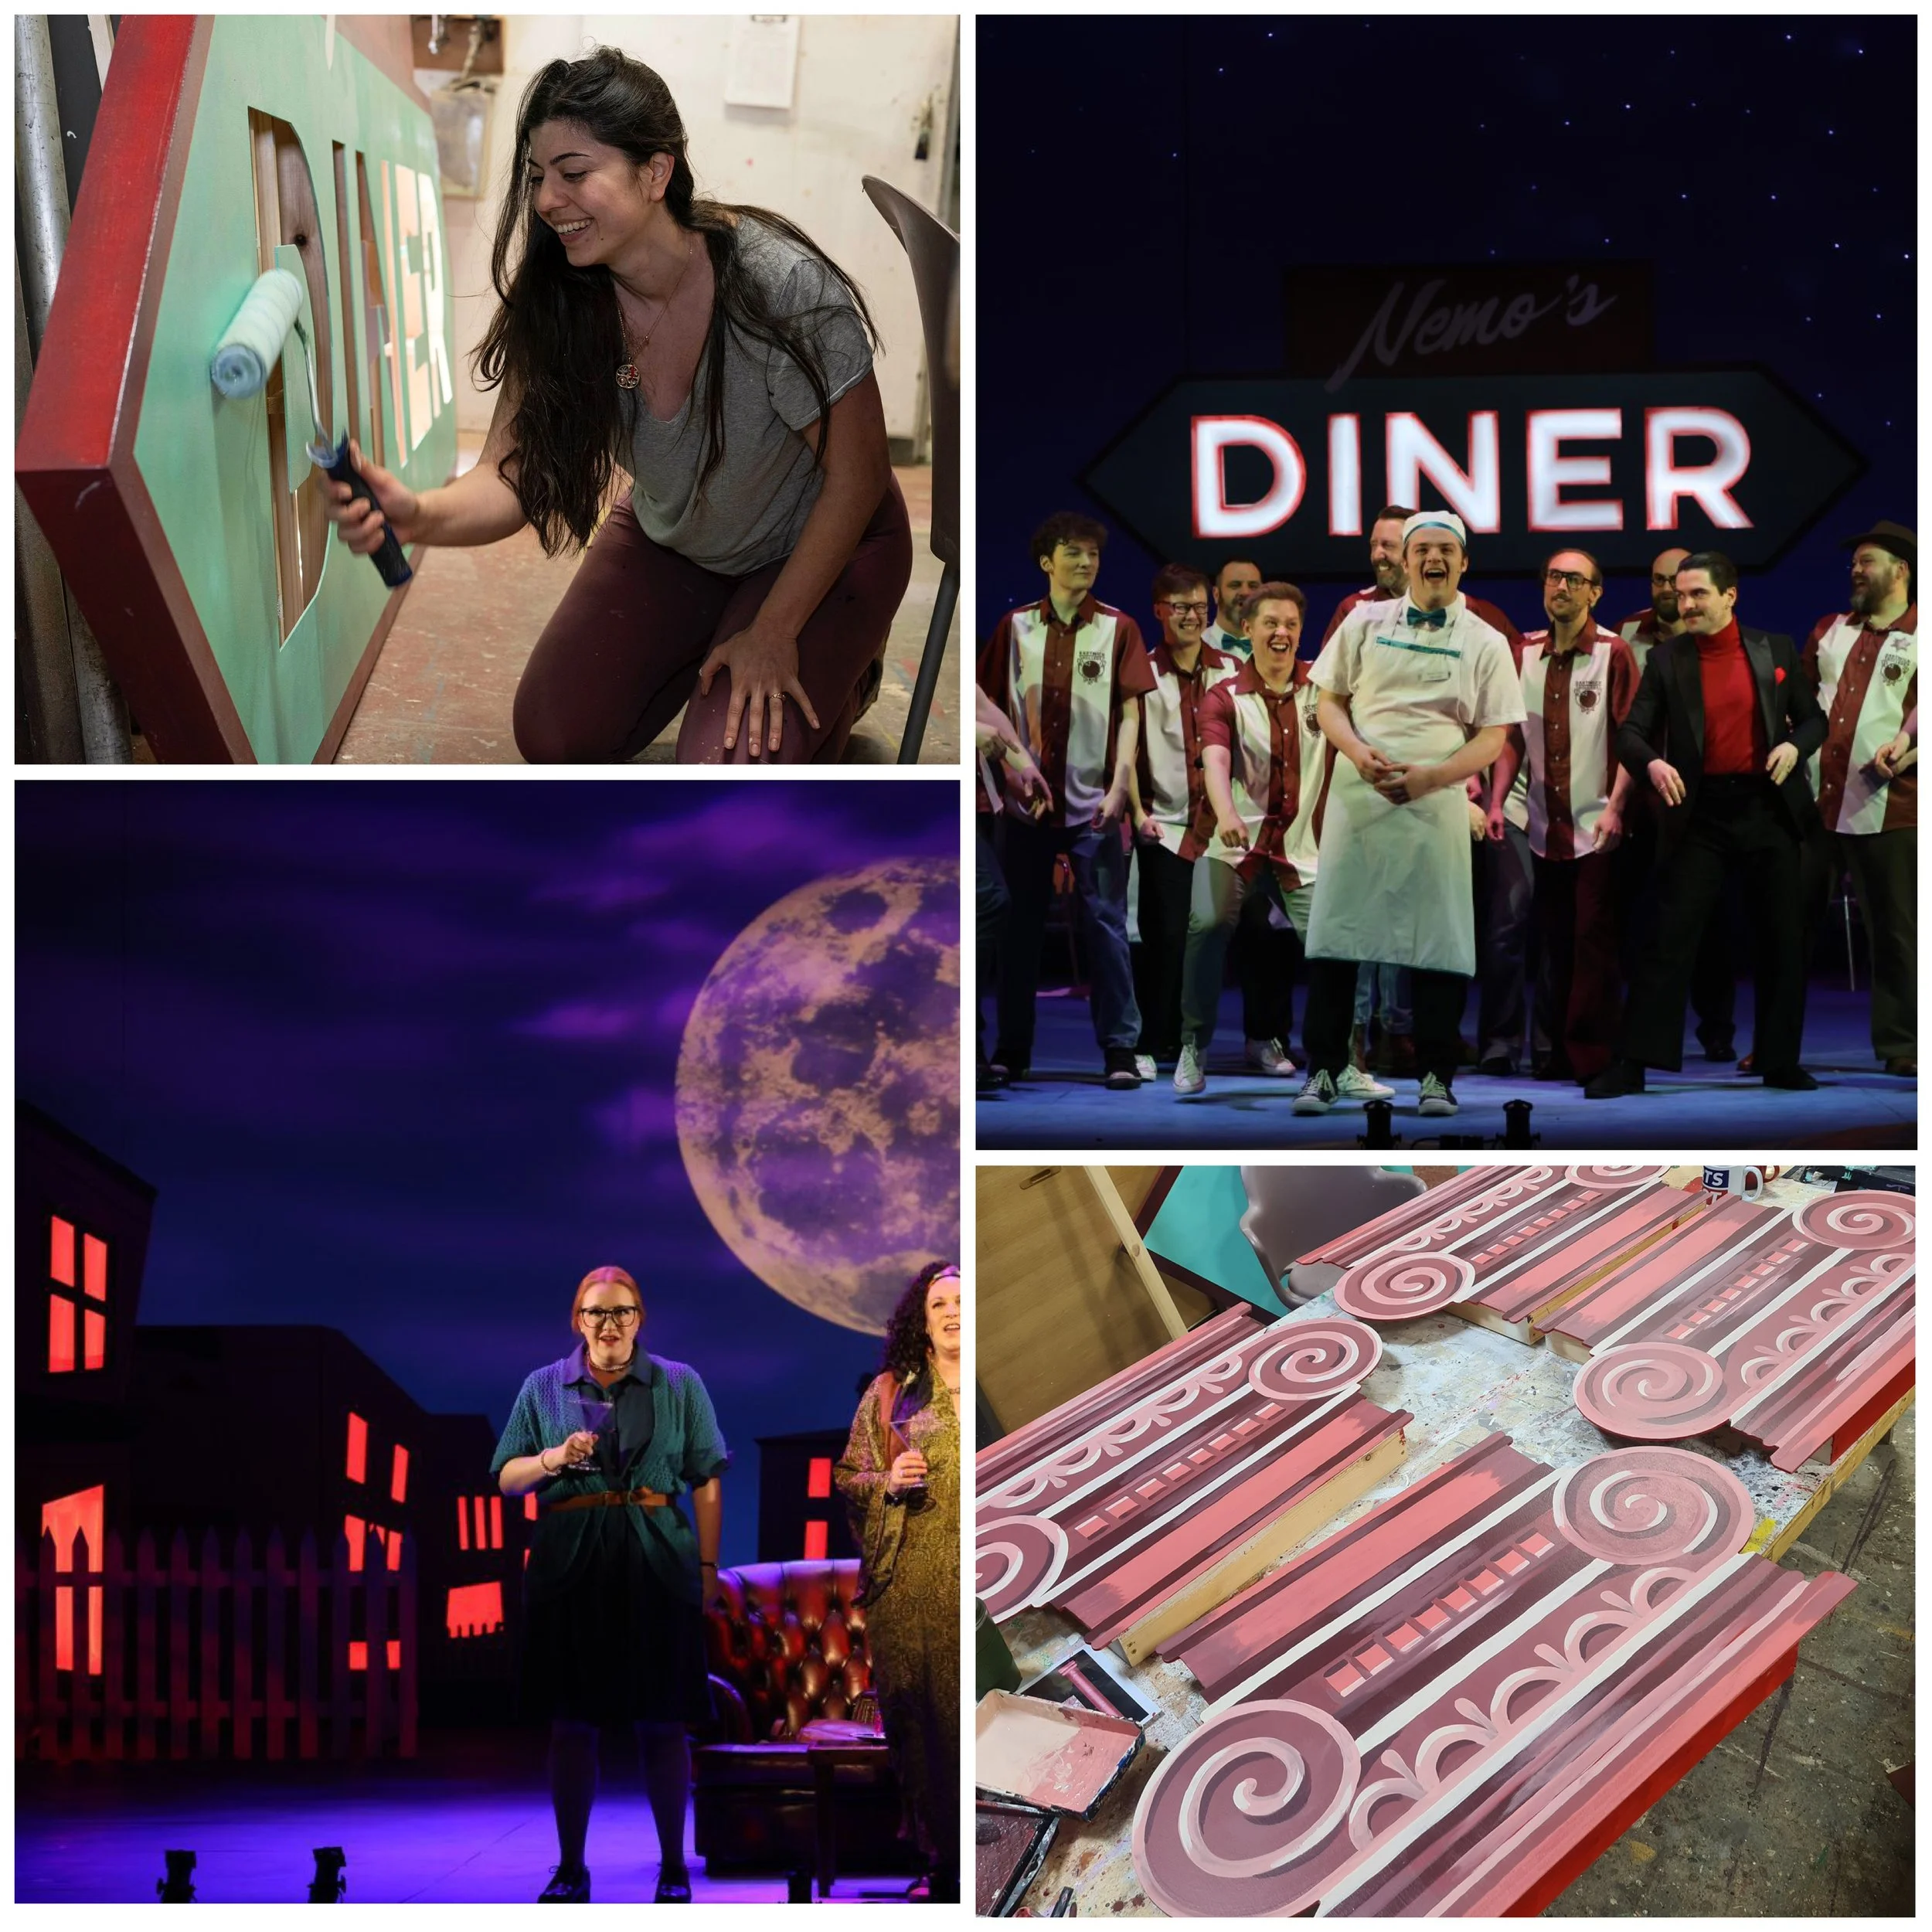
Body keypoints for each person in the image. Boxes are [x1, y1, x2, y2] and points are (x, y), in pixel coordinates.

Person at [323, 48, 911, 766]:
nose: (545, 200)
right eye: (539, 177)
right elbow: (509, 474)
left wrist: (775, 629)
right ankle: (718, 625)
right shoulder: (567, 295)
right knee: (555, 733)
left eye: (574, 174)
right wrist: (420, 514)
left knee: (723, 766)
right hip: (682, 533)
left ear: (655, 173)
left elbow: (858, 478)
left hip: (822, 543)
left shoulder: (777, 288)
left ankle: (846, 673)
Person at [493, 1266, 728, 1903]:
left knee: (663, 1719)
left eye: (622, 1311)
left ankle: (673, 1867)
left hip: (656, 1557)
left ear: (639, 1318)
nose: (609, 1323)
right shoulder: (543, 1386)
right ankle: (571, 1867)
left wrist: (707, 1566)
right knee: (571, 1723)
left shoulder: (679, 1383)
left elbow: (707, 1474)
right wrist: (551, 1459)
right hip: (572, 1560)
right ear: (578, 1320)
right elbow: (507, 1478)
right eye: (596, 1312)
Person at [1294, 512, 1523, 1117]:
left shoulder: (1486, 640)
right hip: (1359, 796)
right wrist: (1358, 753)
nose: (1434, 558)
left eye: (1447, 549)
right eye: (1423, 548)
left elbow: (1493, 735)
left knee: (1438, 943)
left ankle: (1436, 1077)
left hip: (1436, 799)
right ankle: (1323, 1069)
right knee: (1338, 938)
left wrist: (1432, 778)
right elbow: (1329, 703)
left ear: (1464, 562)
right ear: (1405, 560)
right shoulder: (1363, 623)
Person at [1587, 552, 1828, 1097]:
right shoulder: (1669, 659)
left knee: (1782, 939)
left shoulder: (1775, 650)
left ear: (1730, 596)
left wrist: (1795, 743)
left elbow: (1816, 719)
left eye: (1698, 593)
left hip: (1769, 808)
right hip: (1702, 814)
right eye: (1680, 592)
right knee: (1668, 938)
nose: (1685, 602)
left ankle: (1779, 1060)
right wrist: (1652, 761)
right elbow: (1632, 734)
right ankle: (1634, 1062)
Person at [1175, 585, 1391, 1104]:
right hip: (1235, 844)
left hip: (1305, 849)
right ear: (1247, 630)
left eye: (1291, 624)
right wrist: (1226, 812)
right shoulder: (1224, 696)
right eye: (1270, 622)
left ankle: (1338, 1063)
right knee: (1207, 922)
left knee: (1337, 943)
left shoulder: (1325, 689)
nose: (1281, 633)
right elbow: (1216, 760)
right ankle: (1192, 1046)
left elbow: (1360, 743)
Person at [979, 512, 1155, 1089]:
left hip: (1093, 808)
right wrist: (1008, 777)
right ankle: (1012, 1050)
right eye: (1073, 554)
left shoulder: (1118, 627)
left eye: (1093, 555)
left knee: (1106, 928)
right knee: (1018, 930)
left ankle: (1121, 1051)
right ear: (1046, 562)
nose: (1086, 563)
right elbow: (992, 708)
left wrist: (1122, 785)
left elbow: (1132, 713)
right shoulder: (1015, 626)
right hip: (1026, 810)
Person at [836, 1263, 961, 1903]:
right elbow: (847, 1476)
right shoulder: (893, 1394)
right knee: (922, 1726)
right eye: (939, 1303)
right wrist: (887, 1482)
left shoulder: (994, 1382)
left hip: (980, 1585)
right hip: (907, 1591)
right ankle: (940, 1864)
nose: (951, 1311)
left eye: (963, 1301)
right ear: (922, 1318)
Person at [1488, 551, 1638, 1083]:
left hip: (1596, 824)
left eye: (1576, 580)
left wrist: (1618, 808)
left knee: (1591, 940)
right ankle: (1548, 1052)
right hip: (1538, 824)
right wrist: (1495, 800)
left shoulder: (1613, 654)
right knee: (1551, 939)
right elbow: (1508, 737)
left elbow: (1630, 740)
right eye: (1555, 577)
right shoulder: (1522, 651)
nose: (1563, 587)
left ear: (1595, 593)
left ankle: (1591, 1056)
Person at [1800, 521, 1917, 1076]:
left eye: (1867, 561)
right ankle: (1778, 1044)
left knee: (1896, 931)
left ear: (1901, 570)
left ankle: (1904, 1043)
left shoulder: (1924, 633)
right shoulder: (1830, 629)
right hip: (1817, 803)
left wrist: (1908, 751)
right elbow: (1799, 701)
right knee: (1789, 927)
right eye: (1853, 562)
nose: (1855, 570)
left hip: (1893, 804)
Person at [1614, 545, 1736, 1059]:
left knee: (1710, 923)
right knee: (1645, 922)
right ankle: (1644, 1039)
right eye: (1661, 581)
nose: (1671, 593)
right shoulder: (1628, 635)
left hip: (1702, 800)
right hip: (1644, 797)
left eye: (1682, 585)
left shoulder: (1716, 637)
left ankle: (1716, 1029)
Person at [1128, 566, 1242, 1068]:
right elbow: (1126, 751)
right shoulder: (1143, 673)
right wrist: (1136, 813)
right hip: (1168, 828)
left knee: (1244, 932)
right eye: (1180, 608)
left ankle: (1252, 1040)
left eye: (1199, 607)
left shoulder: (1236, 669)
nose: (1192, 616)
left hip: (1225, 831)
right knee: (1165, 937)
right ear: (1159, 612)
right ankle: (1155, 1042)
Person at [975, 687, 1052, 1091]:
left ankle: (968, 1049)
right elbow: (978, 724)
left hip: (980, 804)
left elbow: (988, 711)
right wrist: (972, 733)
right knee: (988, 901)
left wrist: (1024, 766)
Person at [1204, 557, 1262, 657]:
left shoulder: (1273, 648)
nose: (1245, 593)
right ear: (1216, 594)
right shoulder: (1197, 646)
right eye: (1235, 585)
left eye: (1253, 586)